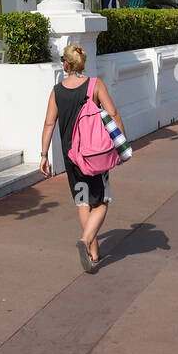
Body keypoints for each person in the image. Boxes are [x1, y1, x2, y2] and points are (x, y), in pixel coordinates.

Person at [39, 43, 126, 272]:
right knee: (102, 202)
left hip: (71, 157)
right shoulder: (95, 85)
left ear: (65, 65)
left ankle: (94, 254)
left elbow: (49, 123)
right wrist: (122, 144)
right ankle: (86, 241)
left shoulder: (57, 91)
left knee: (83, 201)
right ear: (82, 63)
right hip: (95, 155)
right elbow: (114, 113)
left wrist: (43, 154)